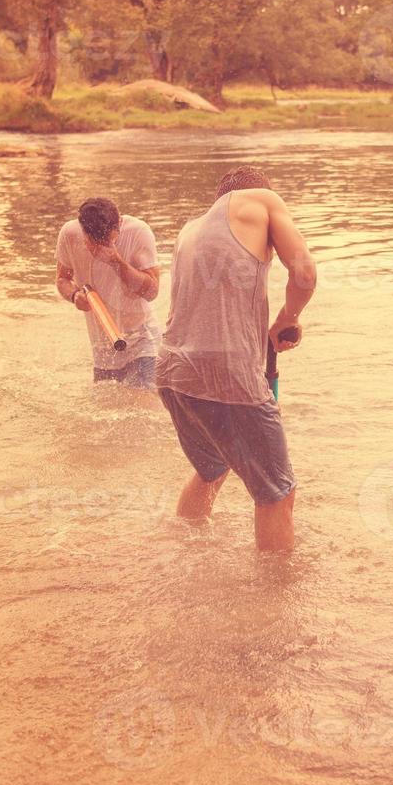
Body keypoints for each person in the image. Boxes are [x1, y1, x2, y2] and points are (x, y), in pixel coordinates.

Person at [156, 166, 317, 551]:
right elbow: (305, 272)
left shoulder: (190, 229)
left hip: (172, 371)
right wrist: (287, 318)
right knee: (277, 492)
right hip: (225, 373)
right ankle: (273, 603)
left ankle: (188, 553)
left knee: (211, 468)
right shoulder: (263, 198)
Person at [55, 198, 162, 389]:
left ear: (119, 224)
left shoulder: (139, 231)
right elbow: (62, 279)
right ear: (83, 231)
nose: (101, 248)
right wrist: (74, 296)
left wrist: (116, 262)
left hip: (142, 341)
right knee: (107, 411)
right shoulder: (69, 234)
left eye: (109, 241)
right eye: (95, 242)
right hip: (102, 349)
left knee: (146, 406)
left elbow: (152, 291)